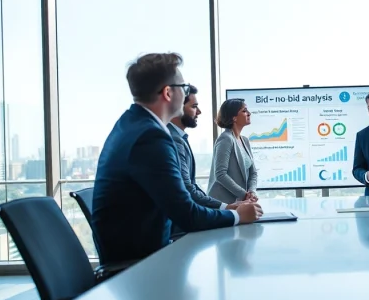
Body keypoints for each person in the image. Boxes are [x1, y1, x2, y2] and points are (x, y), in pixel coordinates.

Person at [92, 53, 262, 265]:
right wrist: (237, 215)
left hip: (142, 254)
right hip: (140, 265)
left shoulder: (131, 124)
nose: (187, 92)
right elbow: (186, 214)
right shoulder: (150, 137)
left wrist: (231, 209)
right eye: (184, 87)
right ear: (168, 93)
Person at [168, 85, 248, 235]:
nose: (199, 112)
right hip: (176, 228)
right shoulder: (173, 139)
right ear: (177, 108)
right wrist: (227, 208)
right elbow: (188, 188)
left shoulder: (180, 137)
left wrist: (227, 206)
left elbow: (192, 185)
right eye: (194, 107)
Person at [208, 98, 259, 204]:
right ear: (234, 117)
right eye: (244, 111)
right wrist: (244, 194)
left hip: (240, 202)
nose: (249, 113)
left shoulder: (245, 140)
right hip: (222, 203)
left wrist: (252, 192)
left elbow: (253, 173)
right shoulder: (225, 139)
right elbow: (220, 174)